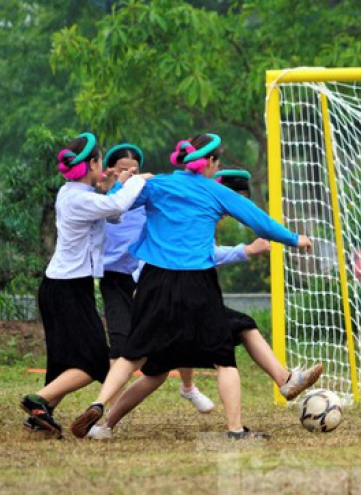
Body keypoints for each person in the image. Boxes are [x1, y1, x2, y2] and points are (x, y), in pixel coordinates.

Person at [70, 133, 313, 441]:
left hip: (153, 281)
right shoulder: (215, 191)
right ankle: (236, 431)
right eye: (217, 161)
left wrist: (125, 183)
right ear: (210, 162)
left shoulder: (157, 185)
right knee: (224, 358)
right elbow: (260, 223)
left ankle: (99, 406)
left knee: (135, 355)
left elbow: (115, 208)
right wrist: (295, 239)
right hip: (197, 281)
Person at [19, 133, 147, 437]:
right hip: (68, 289)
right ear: (92, 164)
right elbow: (116, 207)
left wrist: (114, 185)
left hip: (61, 286)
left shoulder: (75, 193)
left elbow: (111, 216)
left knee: (64, 359)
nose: (103, 166)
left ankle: (40, 416)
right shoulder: (79, 198)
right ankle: (37, 399)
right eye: (100, 161)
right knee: (93, 363)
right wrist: (136, 180)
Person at [99, 143, 216, 414]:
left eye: (134, 170)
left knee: (178, 328)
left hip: (148, 274)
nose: (129, 174)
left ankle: (188, 387)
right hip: (115, 277)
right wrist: (119, 186)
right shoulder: (105, 200)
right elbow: (111, 212)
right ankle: (107, 408)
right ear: (109, 171)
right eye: (122, 171)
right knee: (120, 340)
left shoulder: (146, 195)